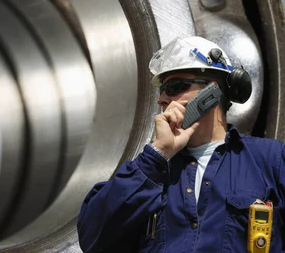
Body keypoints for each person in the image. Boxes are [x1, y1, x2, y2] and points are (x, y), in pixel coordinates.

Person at [77, 36, 285, 252]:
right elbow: (93, 239)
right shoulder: (148, 172)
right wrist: (158, 154)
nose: (162, 98)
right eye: (161, 90)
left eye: (175, 86)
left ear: (211, 92)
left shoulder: (271, 161)